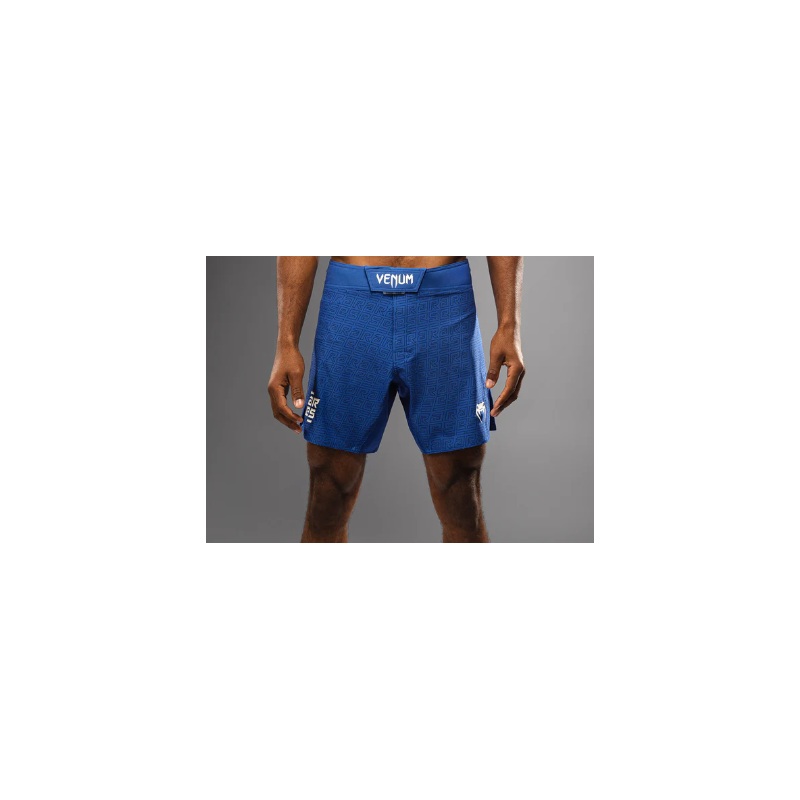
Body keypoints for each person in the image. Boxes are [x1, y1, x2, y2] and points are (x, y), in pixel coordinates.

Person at [268, 257, 525, 543]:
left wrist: (509, 326)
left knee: (460, 490)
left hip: (443, 304)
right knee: (328, 489)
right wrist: (286, 342)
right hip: (352, 305)